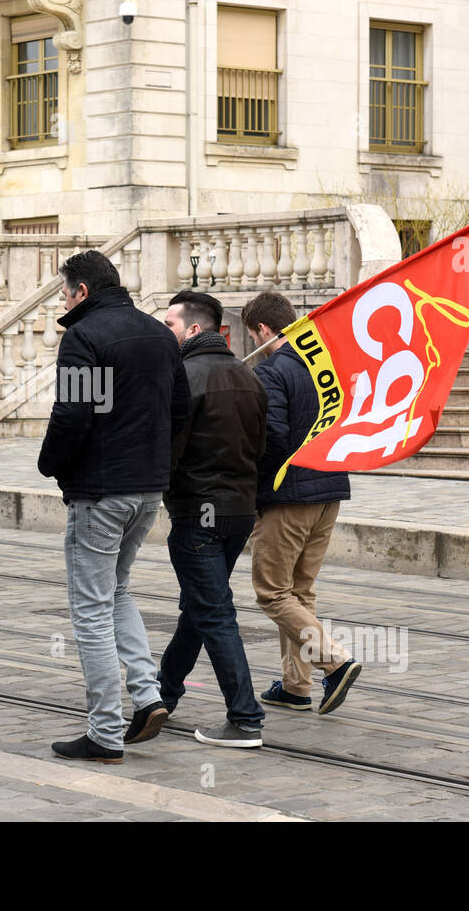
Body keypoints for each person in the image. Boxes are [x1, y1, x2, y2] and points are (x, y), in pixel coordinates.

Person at [38, 250, 190, 763]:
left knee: (89, 609)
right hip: (148, 490)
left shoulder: (86, 336)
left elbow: (75, 412)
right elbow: (180, 412)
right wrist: (157, 468)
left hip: (101, 491)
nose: (62, 300)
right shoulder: (156, 334)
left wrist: (50, 465)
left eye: (64, 292)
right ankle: (147, 696)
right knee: (117, 590)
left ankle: (104, 731)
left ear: (82, 291)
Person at [242, 291, 361, 715]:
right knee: (299, 592)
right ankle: (296, 686)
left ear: (262, 329)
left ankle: (335, 661)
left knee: (272, 593)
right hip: (329, 490)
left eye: (250, 333)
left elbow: (271, 439)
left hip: (288, 495)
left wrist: (255, 486)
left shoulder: (272, 371)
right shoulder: (324, 364)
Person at [158, 291, 267, 748]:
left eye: (170, 326)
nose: (165, 333)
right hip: (239, 510)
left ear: (194, 330)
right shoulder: (249, 377)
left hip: (197, 511)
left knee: (214, 611)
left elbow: (169, 449)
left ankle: (245, 717)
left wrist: (164, 492)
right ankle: (163, 692)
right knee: (199, 607)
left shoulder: (183, 377)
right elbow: (263, 446)